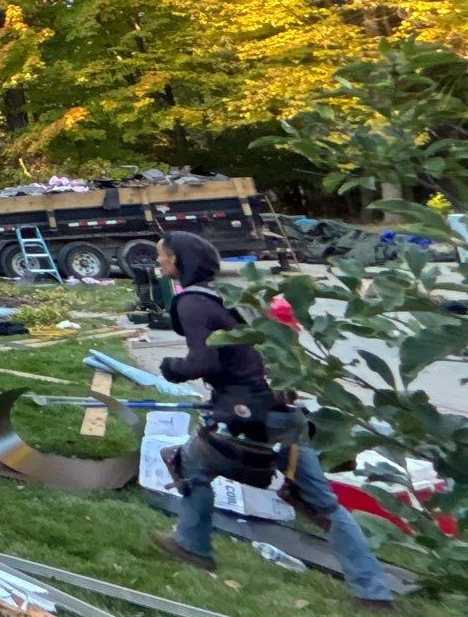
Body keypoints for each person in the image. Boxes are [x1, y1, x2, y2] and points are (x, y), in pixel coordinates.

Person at [146, 231, 395, 608]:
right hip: (282, 413)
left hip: (244, 417)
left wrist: (171, 368)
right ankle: (374, 591)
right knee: (324, 504)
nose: (159, 263)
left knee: (186, 463)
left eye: (162, 257)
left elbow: (204, 361)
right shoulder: (229, 295)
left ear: (178, 261)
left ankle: (193, 545)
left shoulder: (192, 303)